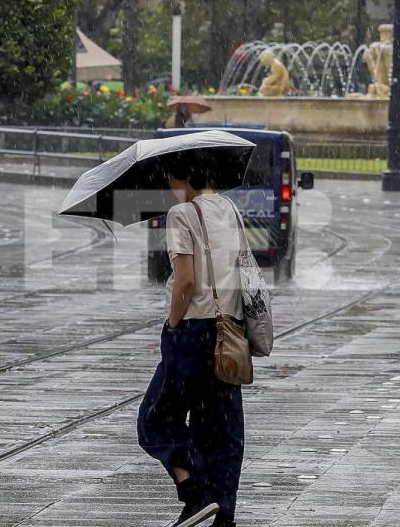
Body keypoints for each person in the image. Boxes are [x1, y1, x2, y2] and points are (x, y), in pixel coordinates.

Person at [137, 151, 244, 527]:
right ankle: (223, 513)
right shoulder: (229, 208)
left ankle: (194, 493)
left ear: (182, 179)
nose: (171, 190)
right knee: (221, 427)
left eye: (171, 182)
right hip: (228, 331)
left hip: (193, 332)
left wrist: (171, 324)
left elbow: (184, 281)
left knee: (154, 419)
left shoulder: (182, 214)